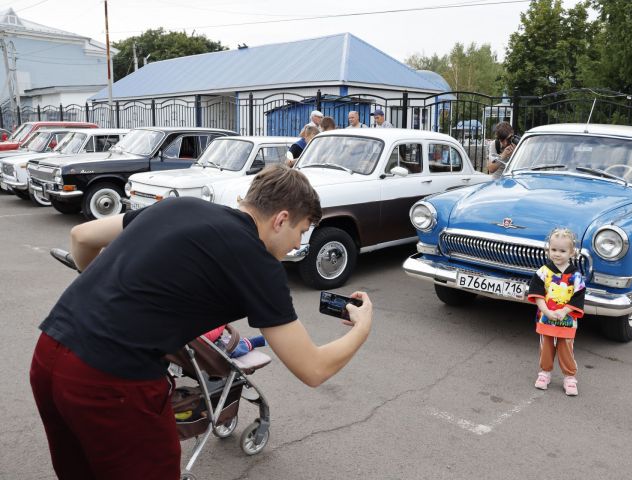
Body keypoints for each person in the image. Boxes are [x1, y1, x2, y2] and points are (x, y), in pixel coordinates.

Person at [29, 165, 374, 479]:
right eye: (301, 231)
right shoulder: (258, 262)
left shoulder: (181, 206)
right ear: (281, 219)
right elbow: (312, 369)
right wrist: (362, 328)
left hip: (49, 353)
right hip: (112, 379)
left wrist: (106, 294)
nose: (299, 243)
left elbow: (82, 237)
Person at [527, 227, 585, 396]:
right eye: (553, 250)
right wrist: (546, 311)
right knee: (546, 346)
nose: (557, 254)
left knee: (566, 347)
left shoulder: (576, 275)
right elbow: (537, 294)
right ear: (548, 249)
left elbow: (578, 296)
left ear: (571, 252)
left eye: (562, 250)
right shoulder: (543, 272)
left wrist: (565, 311)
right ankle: (544, 373)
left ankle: (570, 377)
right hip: (545, 318)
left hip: (566, 320)